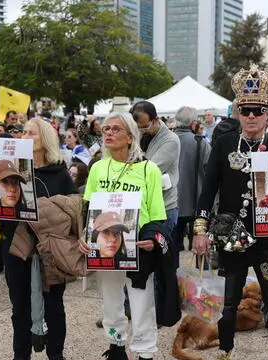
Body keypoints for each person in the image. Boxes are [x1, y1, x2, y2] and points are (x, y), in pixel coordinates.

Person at [192, 65, 268, 360]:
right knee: (229, 301)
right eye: (245, 110)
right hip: (232, 240)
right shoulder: (224, 143)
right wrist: (200, 230)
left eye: (258, 110)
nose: (251, 116)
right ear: (237, 112)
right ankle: (225, 350)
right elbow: (207, 189)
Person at [0, 118, 77, 360]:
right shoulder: (8, 169)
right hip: (14, 247)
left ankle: (56, 354)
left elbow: (74, 209)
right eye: (23, 133)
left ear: (46, 140)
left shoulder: (59, 172)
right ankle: (20, 355)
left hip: (50, 250)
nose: (24, 137)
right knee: (19, 306)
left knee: (54, 307)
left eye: (31, 133)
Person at [78, 113, 167, 360]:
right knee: (110, 301)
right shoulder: (97, 168)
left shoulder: (149, 169)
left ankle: (145, 352)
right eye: (106, 128)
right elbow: (88, 209)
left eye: (116, 129)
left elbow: (158, 214)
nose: (108, 133)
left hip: (137, 245)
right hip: (105, 245)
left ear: (130, 136)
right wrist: (83, 237)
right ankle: (116, 346)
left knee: (141, 303)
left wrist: (153, 239)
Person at [130, 101, 181, 231]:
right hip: (140, 206)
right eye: (137, 128)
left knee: (162, 249)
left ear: (156, 119)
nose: (141, 131)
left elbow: (149, 171)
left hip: (164, 207)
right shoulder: (139, 136)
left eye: (145, 127)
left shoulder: (171, 140)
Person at [172, 106, 211, 263]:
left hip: (171, 202)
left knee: (172, 248)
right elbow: (210, 172)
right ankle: (203, 283)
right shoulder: (200, 143)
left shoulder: (166, 140)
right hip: (196, 201)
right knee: (201, 248)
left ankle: (172, 285)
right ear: (194, 123)